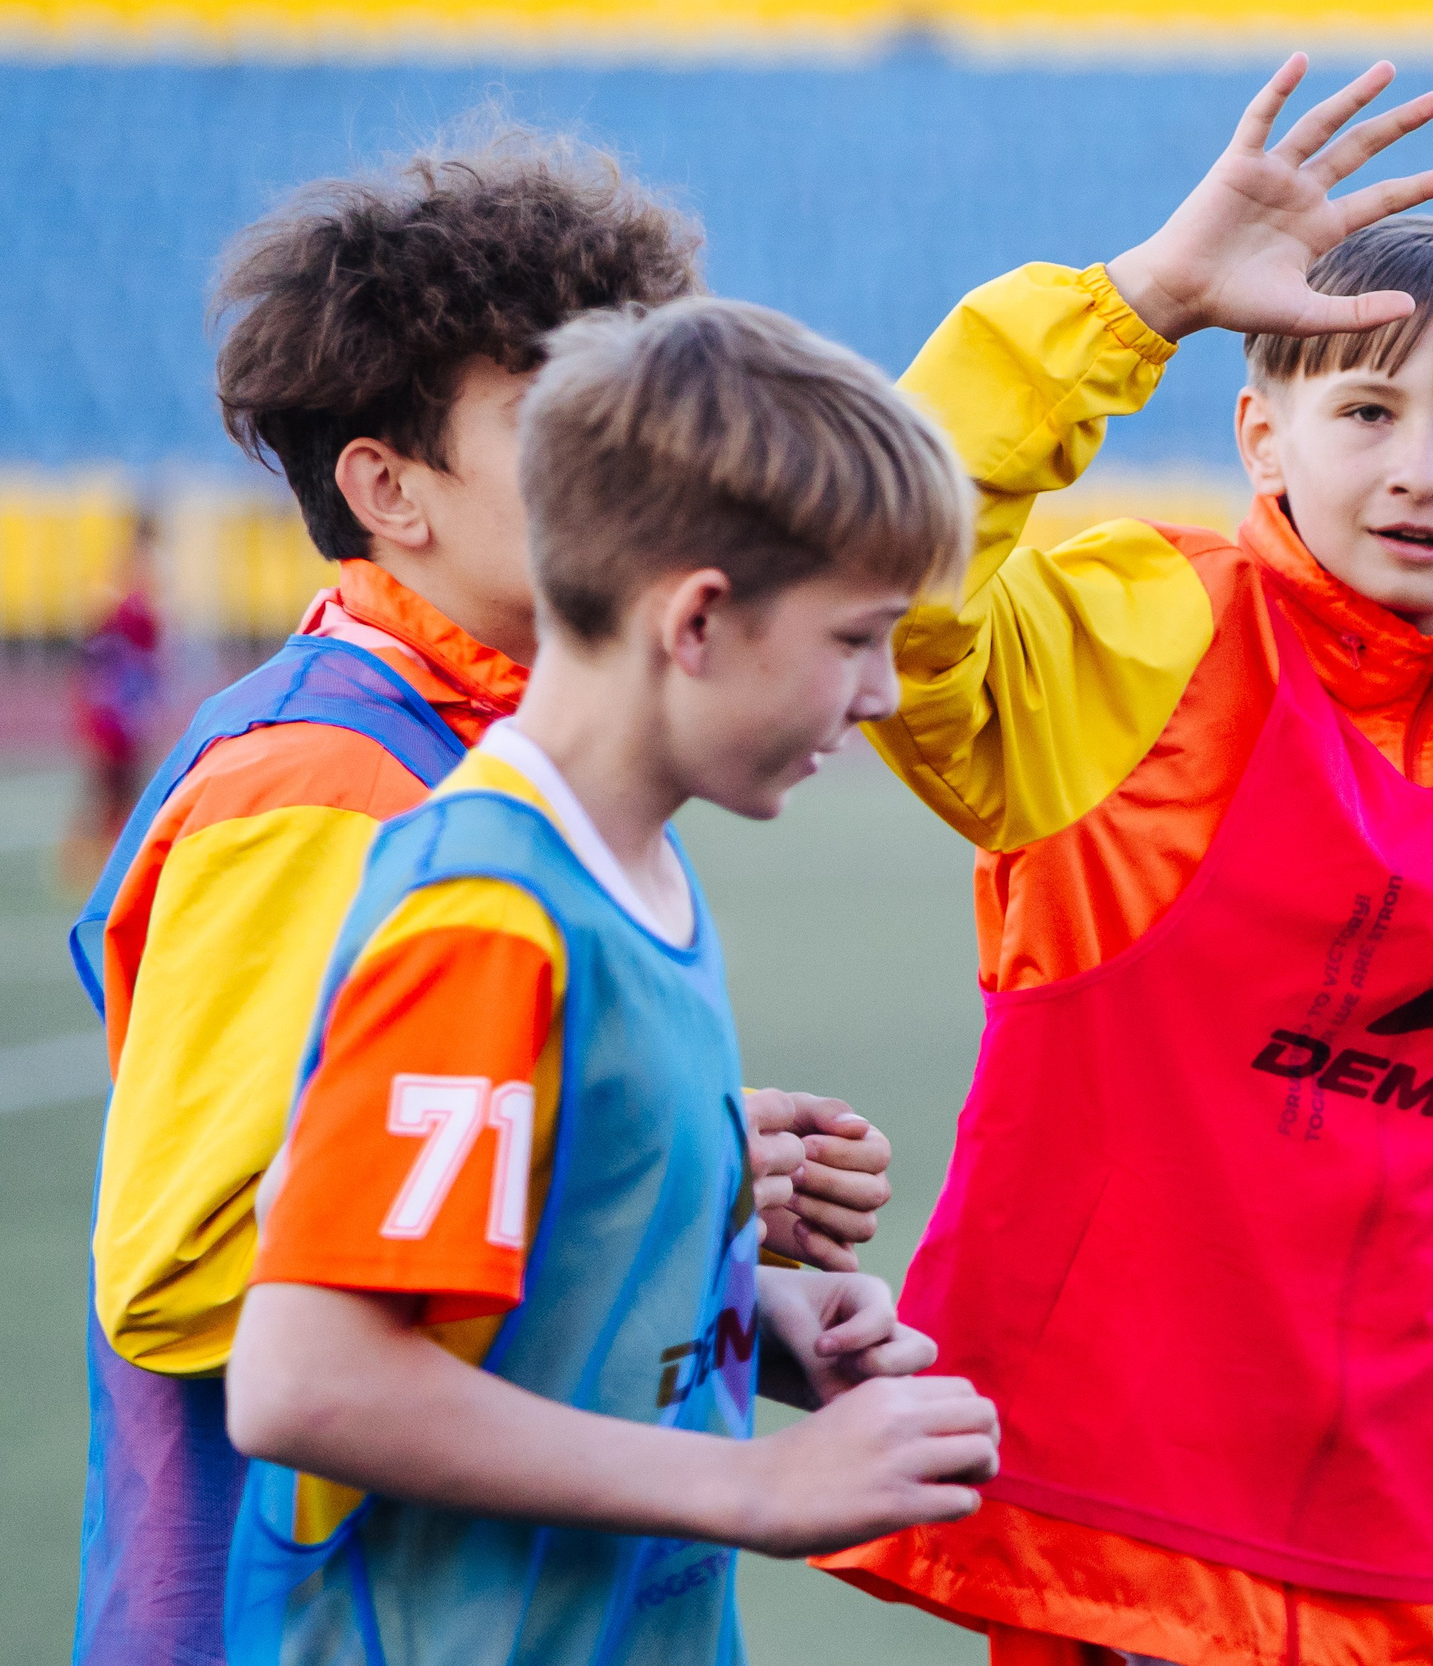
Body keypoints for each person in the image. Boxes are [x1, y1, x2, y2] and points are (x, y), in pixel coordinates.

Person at [816, 57, 1433, 1666]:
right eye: (1365, 409)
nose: (1420, 465)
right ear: (1263, 434)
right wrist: (1131, 303)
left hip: (1394, 1543)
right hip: (1108, 1526)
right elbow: (879, 564)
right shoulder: (1147, 634)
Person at [66, 126, 897, 1665]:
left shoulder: (530, 750)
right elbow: (187, 1281)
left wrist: (696, 1223)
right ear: (390, 487)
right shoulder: (328, 781)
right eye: (562, 418)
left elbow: (440, 1159)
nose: (646, 460)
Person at [226, 294, 999, 1666]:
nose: (882, 691)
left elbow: (517, 1281)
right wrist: (751, 1484)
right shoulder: (488, 915)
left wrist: (751, 1317)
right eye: (855, 636)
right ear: (695, 621)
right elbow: (310, 1378)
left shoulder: (627, 867)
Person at [58, 505, 163, 893]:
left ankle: (98, 862)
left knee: (120, 788)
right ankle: (85, 862)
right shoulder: (123, 597)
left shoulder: (127, 592)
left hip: (123, 709)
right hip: (116, 711)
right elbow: (103, 656)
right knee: (109, 788)